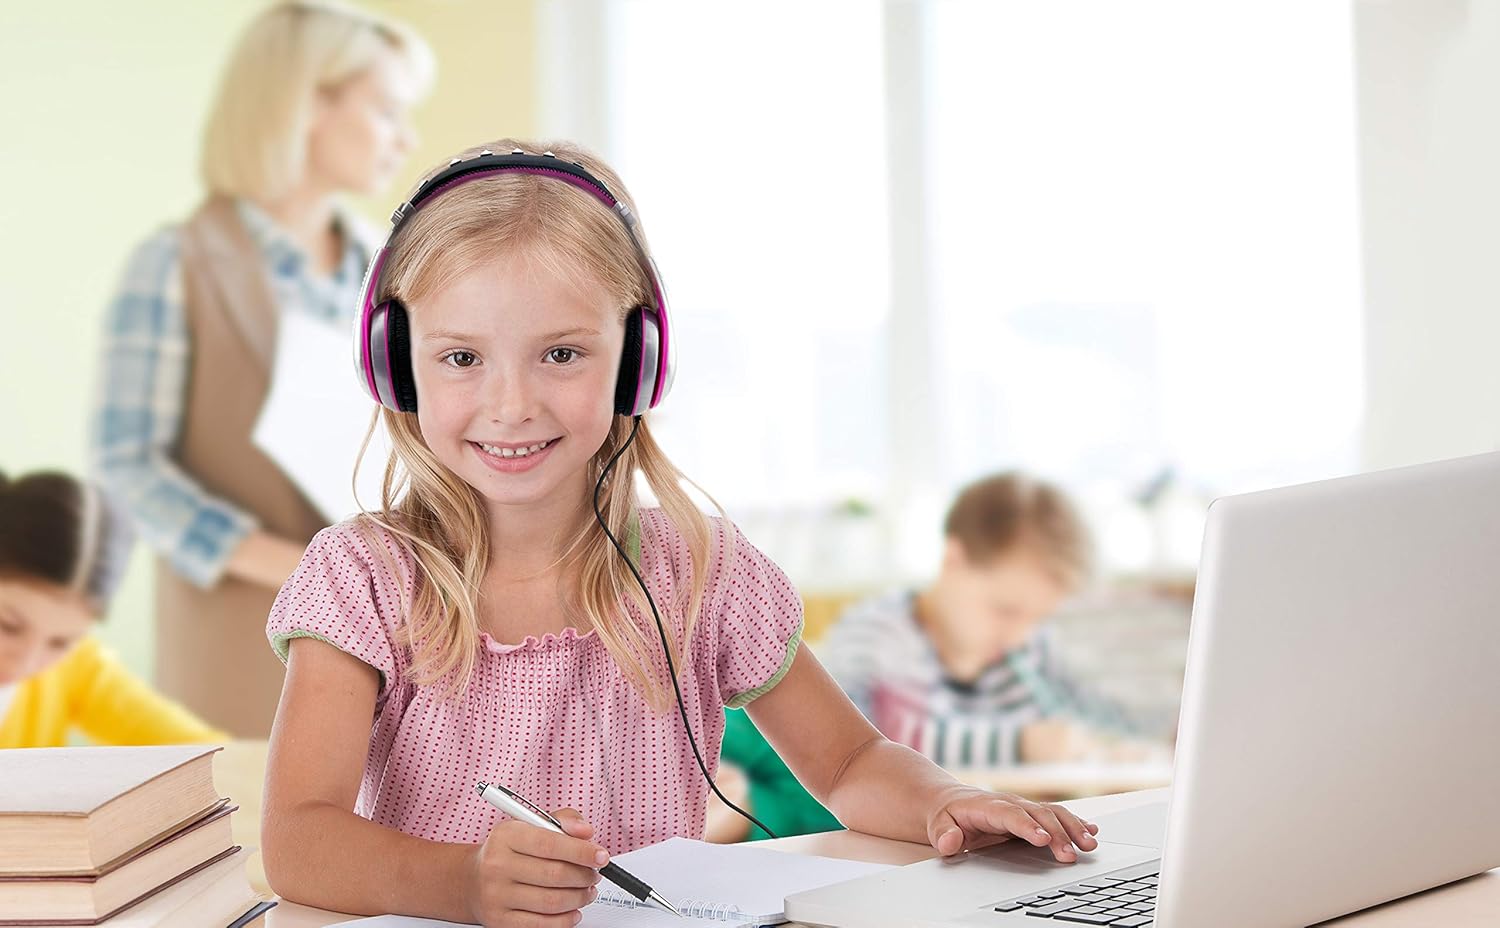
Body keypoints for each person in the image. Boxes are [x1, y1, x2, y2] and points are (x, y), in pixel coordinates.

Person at [258, 139, 1102, 927]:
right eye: (461, 358)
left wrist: (944, 802)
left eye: (561, 354)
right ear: (394, 360)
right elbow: (300, 840)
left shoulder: (700, 571)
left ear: (639, 359)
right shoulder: (360, 579)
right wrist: (469, 882)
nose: (511, 404)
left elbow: (849, 765)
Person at [90, 1, 432, 736]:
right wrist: (297, 564)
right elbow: (127, 465)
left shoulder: (397, 266)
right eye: (385, 111)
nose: (407, 139)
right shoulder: (175, 265)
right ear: (308, 102)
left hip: (405, 643)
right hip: (239, 649)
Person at [817, 472, 1174, 769]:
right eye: (1006, 610)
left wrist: (1149, 737)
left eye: (1038, 618)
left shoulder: (1027, 648)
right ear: (953, 560)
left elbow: (1080, 713)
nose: (1020, 635)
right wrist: (1021, 744)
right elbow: (862, 744)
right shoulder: (876, 635)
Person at [0, 469, 226, 748]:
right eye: (7, 626)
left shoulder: (78, 668)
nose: (25, 663)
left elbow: (211, 755)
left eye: (60, 642)